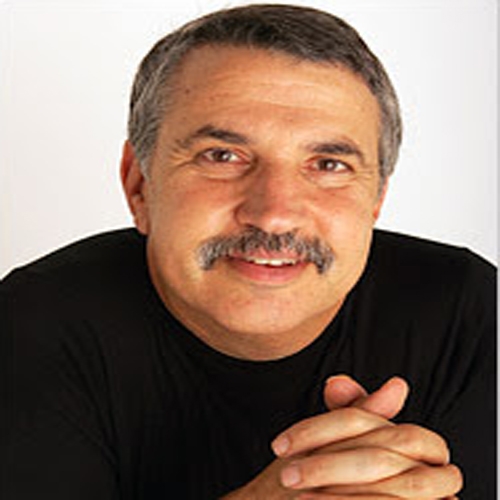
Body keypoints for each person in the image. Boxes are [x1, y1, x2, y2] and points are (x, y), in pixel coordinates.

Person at [1, 4, 495, 499]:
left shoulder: (471, 314)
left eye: (328, 164)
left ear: (376, 200)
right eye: (223, 156)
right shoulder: (28, 324)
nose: (274, 215)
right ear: (139, 186)